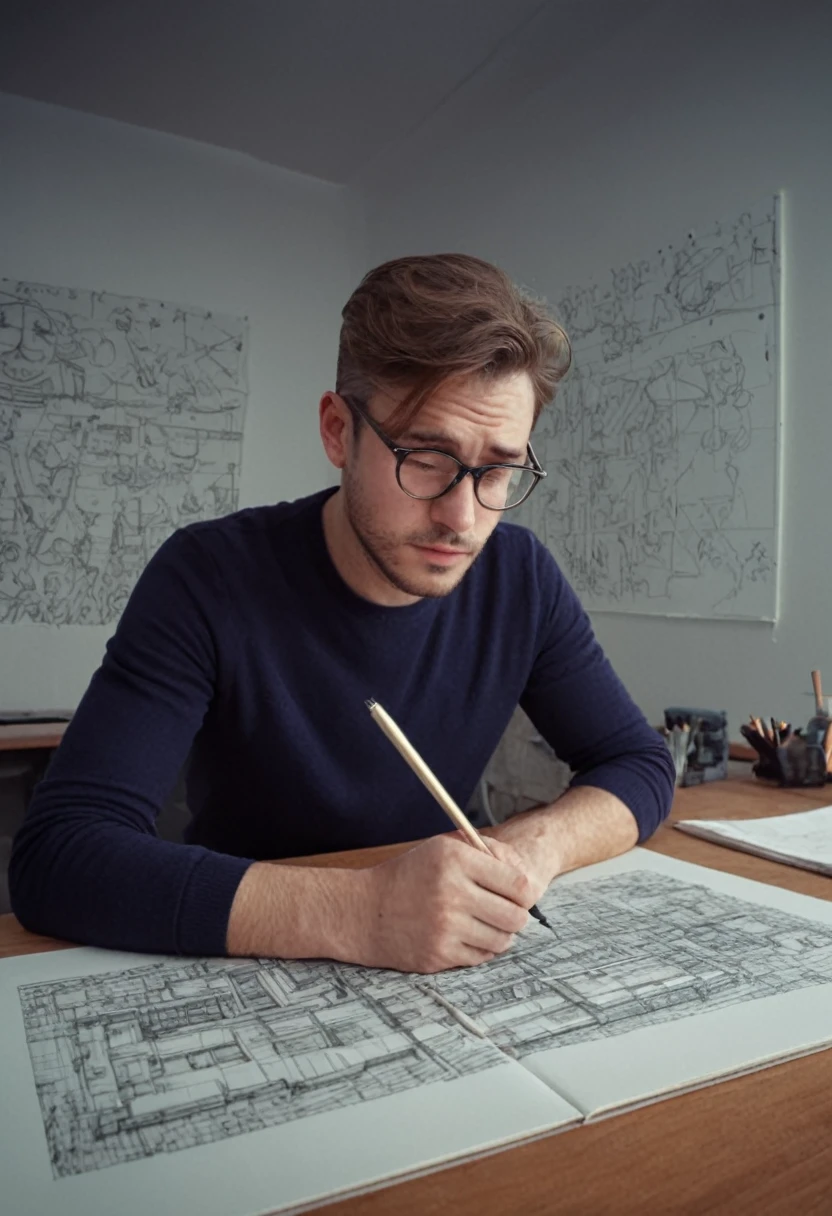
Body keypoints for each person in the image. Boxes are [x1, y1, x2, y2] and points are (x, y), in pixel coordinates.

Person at [9, 254, 675, 973]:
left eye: (498, 469)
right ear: (337, 431)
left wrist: (528, 853)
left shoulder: (523, 578)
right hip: (249, 957)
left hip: (440, 955)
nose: (462, 515)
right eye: (425, 456)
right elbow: (61, 855)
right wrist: (361, 913)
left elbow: (638, 763)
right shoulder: (206, 576)